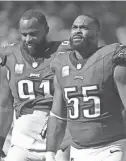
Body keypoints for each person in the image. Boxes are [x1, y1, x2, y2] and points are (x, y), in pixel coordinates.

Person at [46, 14, 126, 161]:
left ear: (97, 34)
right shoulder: (60, 64)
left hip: (111, 147)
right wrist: (50, 152)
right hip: (78, 151)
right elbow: (57, 116)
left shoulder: (111, 58)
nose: (77, 31)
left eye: (83, 27)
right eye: (74, 27)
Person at [0, 9, 69, 161]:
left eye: (33, 33)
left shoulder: (65, 52)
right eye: (24, 34)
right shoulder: (10, 55)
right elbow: (5, 105)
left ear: (46, 30)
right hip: (22, 141)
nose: (28, 39)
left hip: (58, 138)